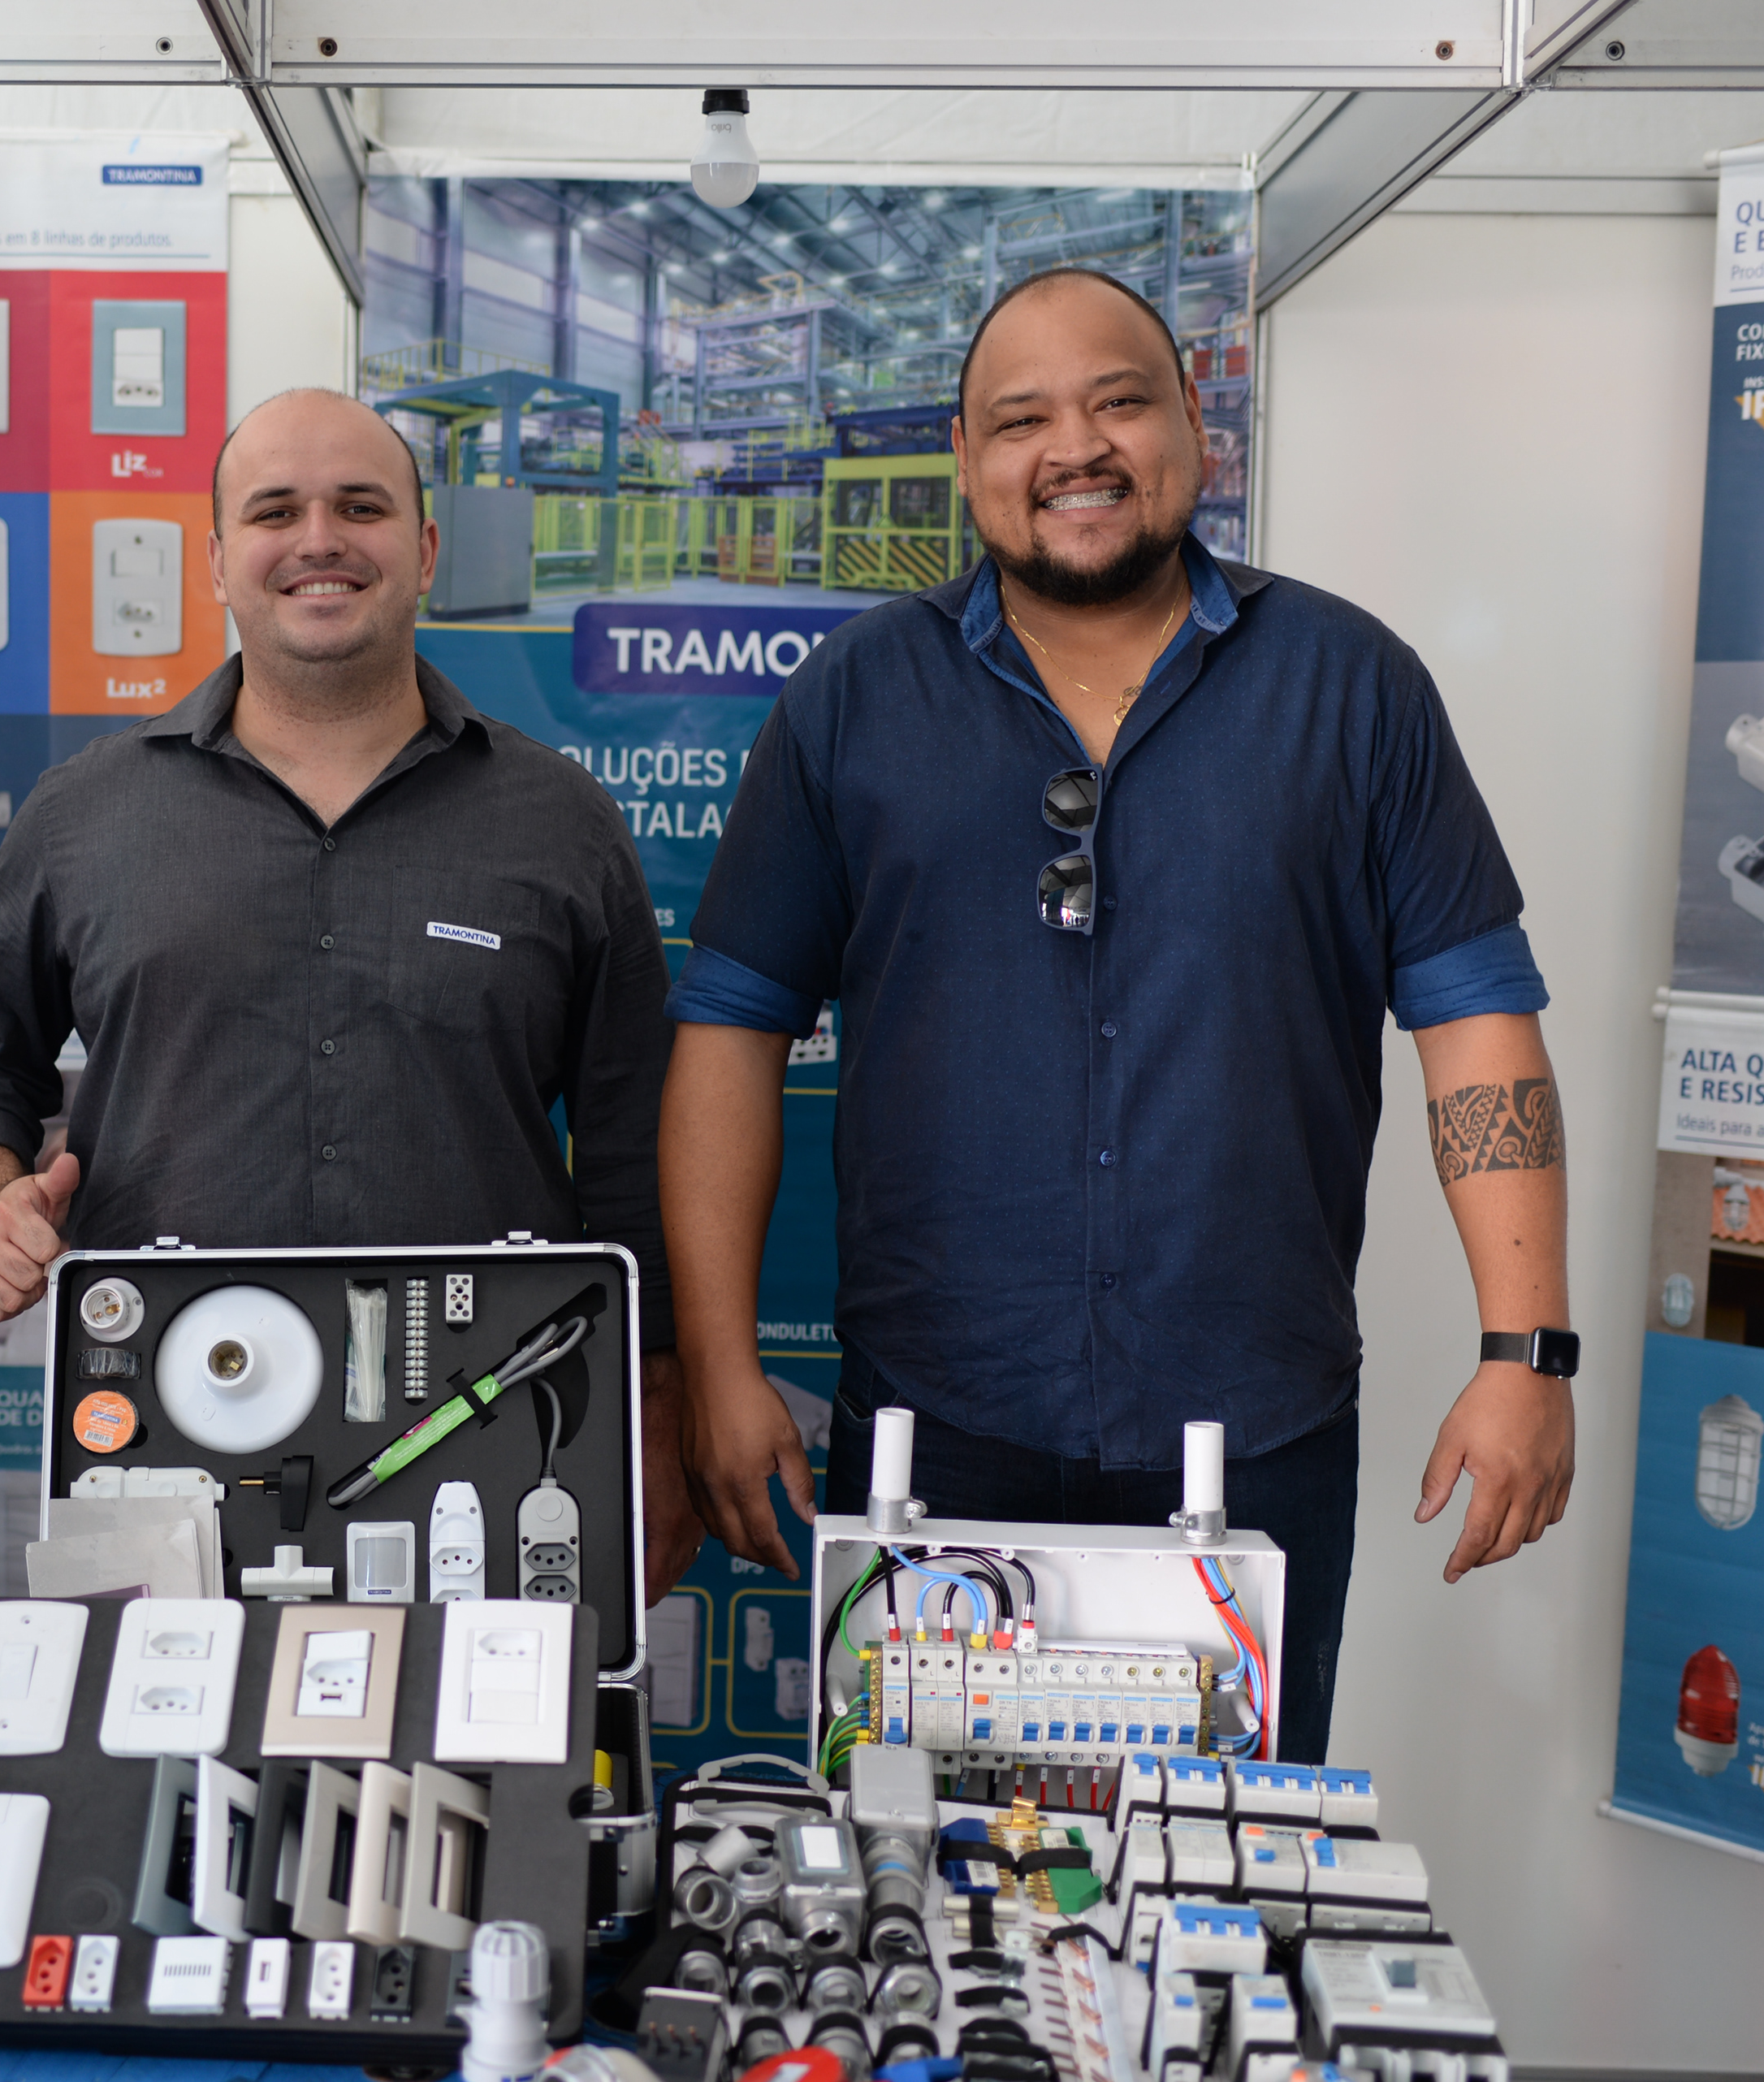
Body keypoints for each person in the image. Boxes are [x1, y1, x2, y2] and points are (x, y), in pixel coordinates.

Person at [655, 270, 1572, 1763]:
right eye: (1022, 420)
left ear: (1193, 427)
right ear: (966, 457)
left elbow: (1477, 1022)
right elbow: (731, 1031)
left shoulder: (1351, 688)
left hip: (1257, 1434)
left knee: (1221, 1870)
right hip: (932, 1433)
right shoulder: (853, 701)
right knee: (912, 1865)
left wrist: (1526, 1350)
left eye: (1119, 402)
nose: (1073, 448)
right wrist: (717, 1363)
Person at [0, 387, 698, 1594]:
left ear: (424, 551)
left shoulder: (560, 823)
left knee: (478, 1720)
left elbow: (639, 1145)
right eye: (275, 512)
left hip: (482, 1433)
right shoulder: (87, 814)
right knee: (161, 1719)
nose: (319, 540)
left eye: (360, 508)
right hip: (159, 1435)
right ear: (217, 561)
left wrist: (656, 1416)